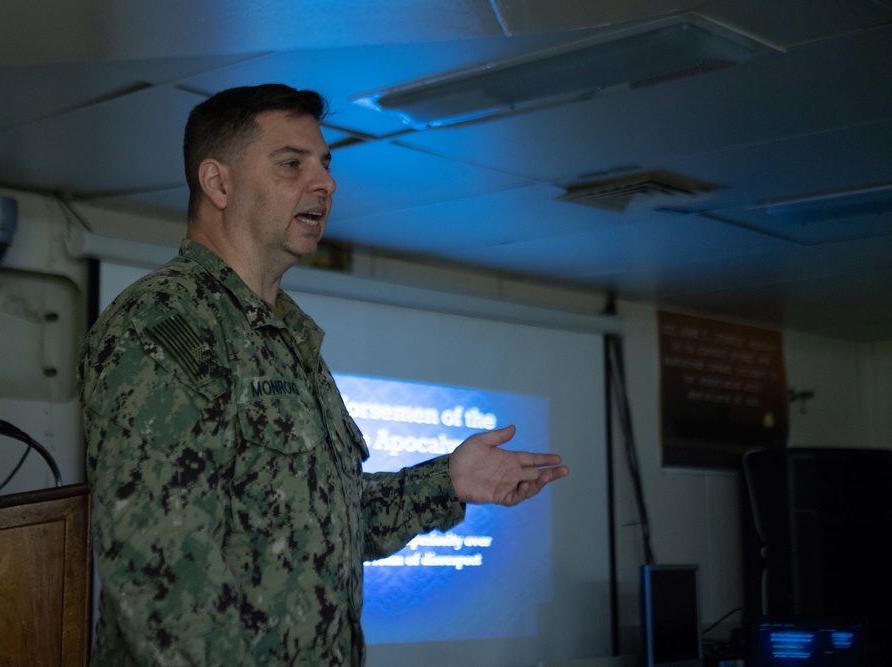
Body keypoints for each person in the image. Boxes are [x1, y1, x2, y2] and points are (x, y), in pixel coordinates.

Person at [78, 83, 569, 666]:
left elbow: (316, 522)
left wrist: (447, 481)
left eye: (326, 165)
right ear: (218, 184)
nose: (326, 183)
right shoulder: (164, 325)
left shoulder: (287, 338)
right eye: (292, 164)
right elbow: (157, 569)